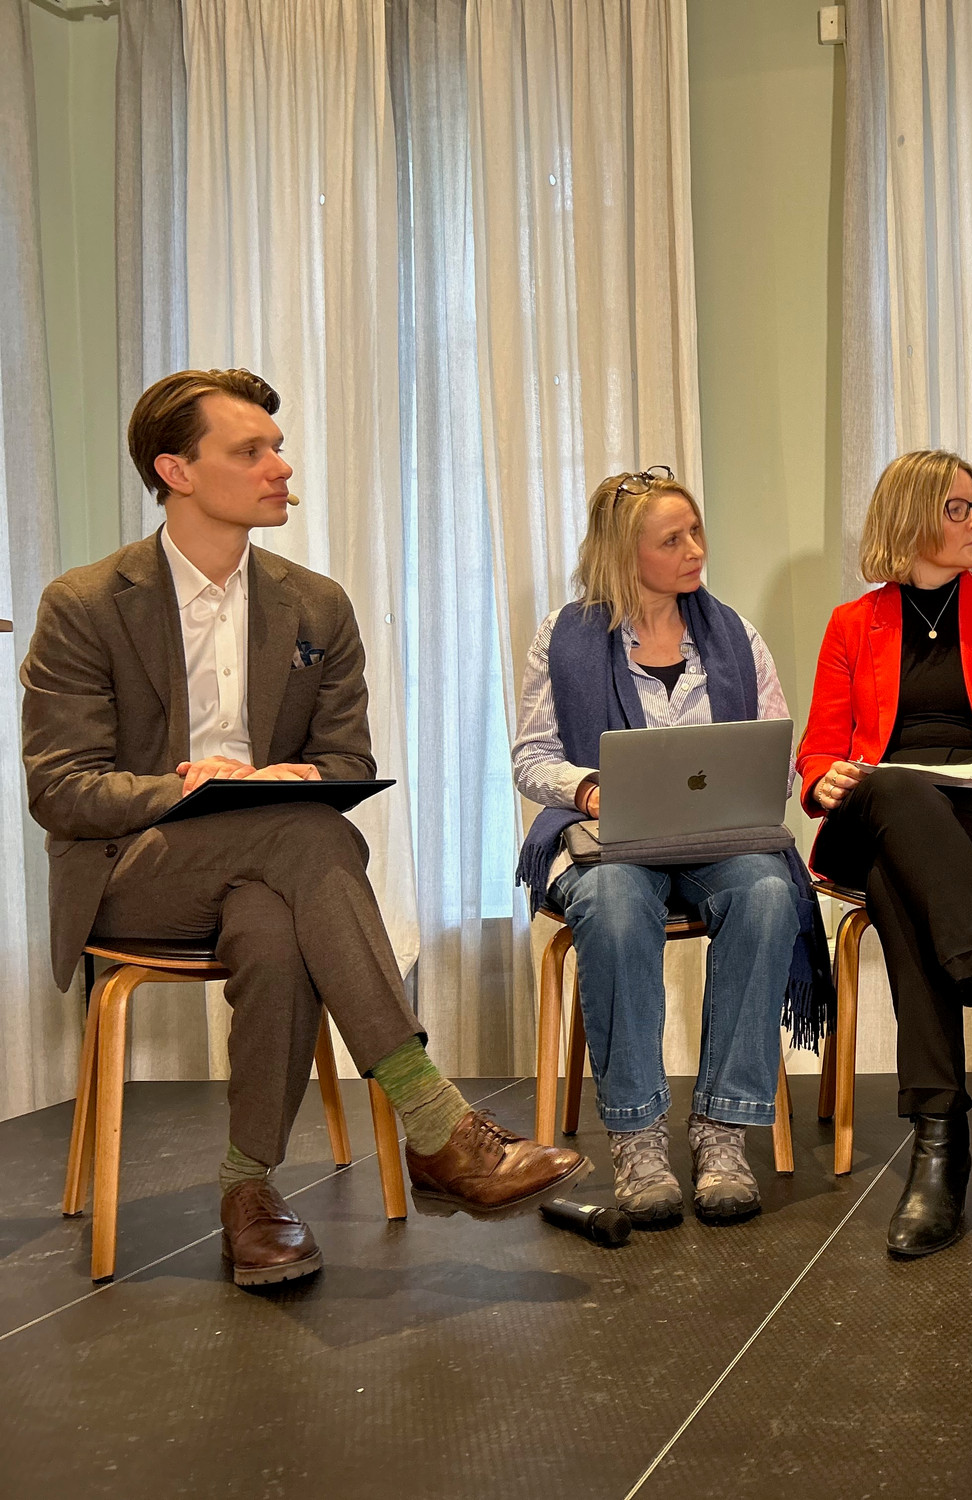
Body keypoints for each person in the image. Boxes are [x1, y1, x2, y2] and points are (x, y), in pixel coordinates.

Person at [19, 368, 585, 1288]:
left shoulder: (316, 605)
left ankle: (248, 1192)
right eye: (251, 451)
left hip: (271, 877)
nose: (281, 467)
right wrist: (189, 788)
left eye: (276, 448)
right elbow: (62, 790)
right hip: (132, 873)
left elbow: (346, 761)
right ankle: (435, 1124)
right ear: (176, 470)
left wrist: (301, 779)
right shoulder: (85, 604)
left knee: (277, 919)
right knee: (302, 836)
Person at [514, 466, 830, 1226]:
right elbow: (531, 757)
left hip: (719, 839)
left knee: (767, 893)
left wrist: (777, 777)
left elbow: (775, 754)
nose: (695, 550)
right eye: (672, 540)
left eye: (695, 532)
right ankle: (638, 1136)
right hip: (609, 842)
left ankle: (723, 1129)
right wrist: (591, 789)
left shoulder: (735, 635)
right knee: (615, 905)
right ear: (623, 554)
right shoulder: (562, 637)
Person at [798, 449, 972, 1258]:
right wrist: (823, 779)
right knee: (896, 791)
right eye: (958, 508)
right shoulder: (854, 624)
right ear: (913, 518)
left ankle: (940, 1145)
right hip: (874, 809)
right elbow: (818, 750)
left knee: (903, 890)